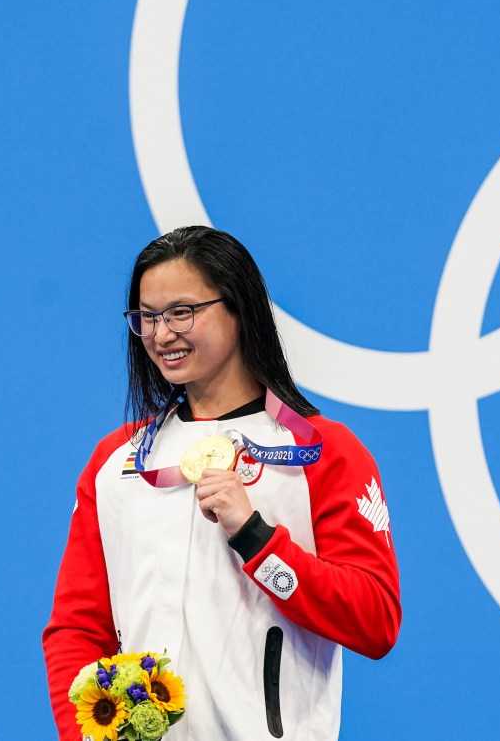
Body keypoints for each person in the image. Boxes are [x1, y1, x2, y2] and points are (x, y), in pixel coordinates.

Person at [43, 226, 401, 740]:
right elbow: (77, 628)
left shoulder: (323, 451)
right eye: (147, 317)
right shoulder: (116, 460)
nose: (162, 334)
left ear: (240, 309)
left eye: (182, 312)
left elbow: (375, 620)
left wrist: (255, 536)